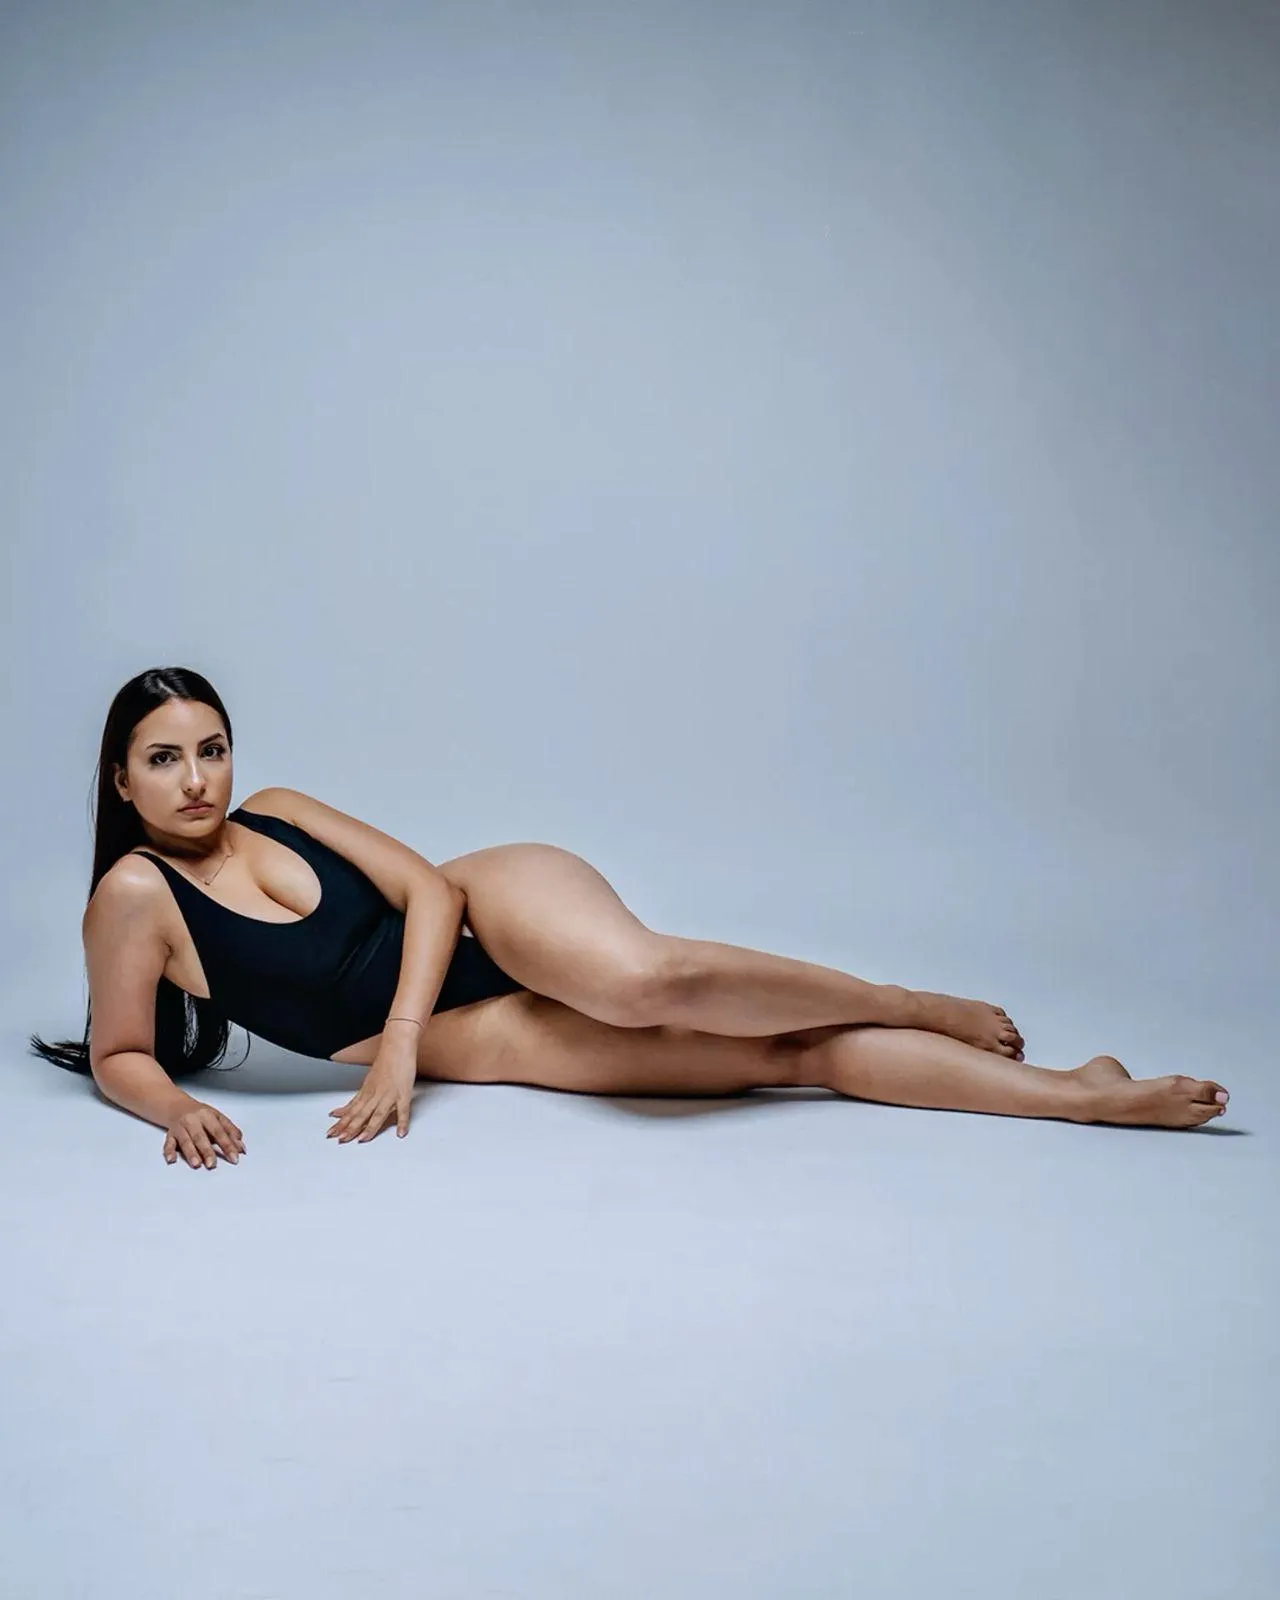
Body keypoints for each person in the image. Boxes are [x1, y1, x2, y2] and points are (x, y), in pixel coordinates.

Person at [30, 666, 1231, 1170]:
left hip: (489, 911)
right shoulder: (133, 898)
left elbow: (434, 891)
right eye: (163, 759)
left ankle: (912, 1001)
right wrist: (178, 1109)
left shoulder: (282, 807)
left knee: (649, 980)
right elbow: (123, 1049)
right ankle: (1083, 1089)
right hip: (469, 1030)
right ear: (120, 781)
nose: (197, 779)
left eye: (211, 748)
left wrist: (394, 1040)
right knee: (771, 1063)